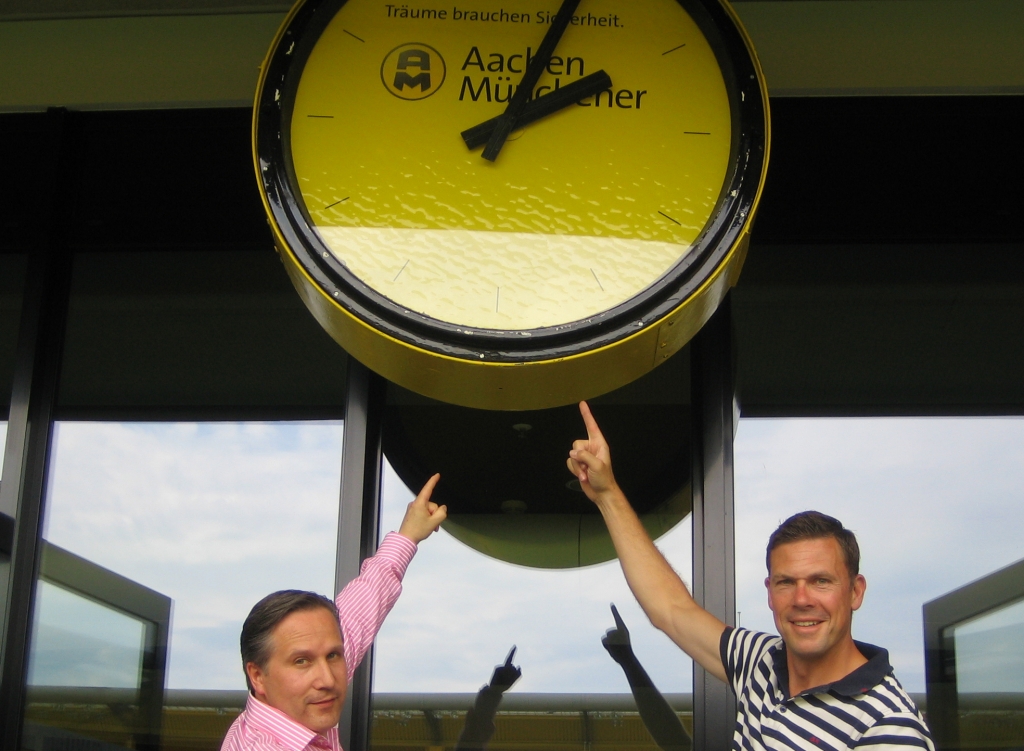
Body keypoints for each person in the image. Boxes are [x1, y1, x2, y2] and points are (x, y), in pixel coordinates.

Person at [567, 403, 934, 750]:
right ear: (770, 593)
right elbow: (671, 609)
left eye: (821, 581)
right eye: (786, 582)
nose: (802, 599)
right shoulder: (762, 661)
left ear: (855, 592)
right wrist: (607, 494)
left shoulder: (890, 727)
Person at [220, 474, 447, 751]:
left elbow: (359, 611)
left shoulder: (288, 709)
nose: (328, 680)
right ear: (257, 676)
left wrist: (407, 536)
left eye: (333, 655)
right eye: (301, 661)